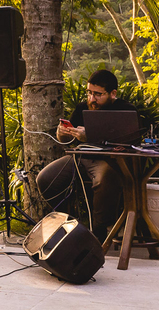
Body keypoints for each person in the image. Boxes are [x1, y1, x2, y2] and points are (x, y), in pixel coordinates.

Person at [35, 69, 130, 240]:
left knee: (103, 180)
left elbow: (129, 140)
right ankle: (70, 225)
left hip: (108, 160)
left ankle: (99, 232)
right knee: (46, 178)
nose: (92, 99)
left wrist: (90, 136)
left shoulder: (125, 110)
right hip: (79, 157)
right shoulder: (82, 108)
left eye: (98, 94)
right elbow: (65, 138)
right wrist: (62, 133)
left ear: (113, 93)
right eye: (89, 93)